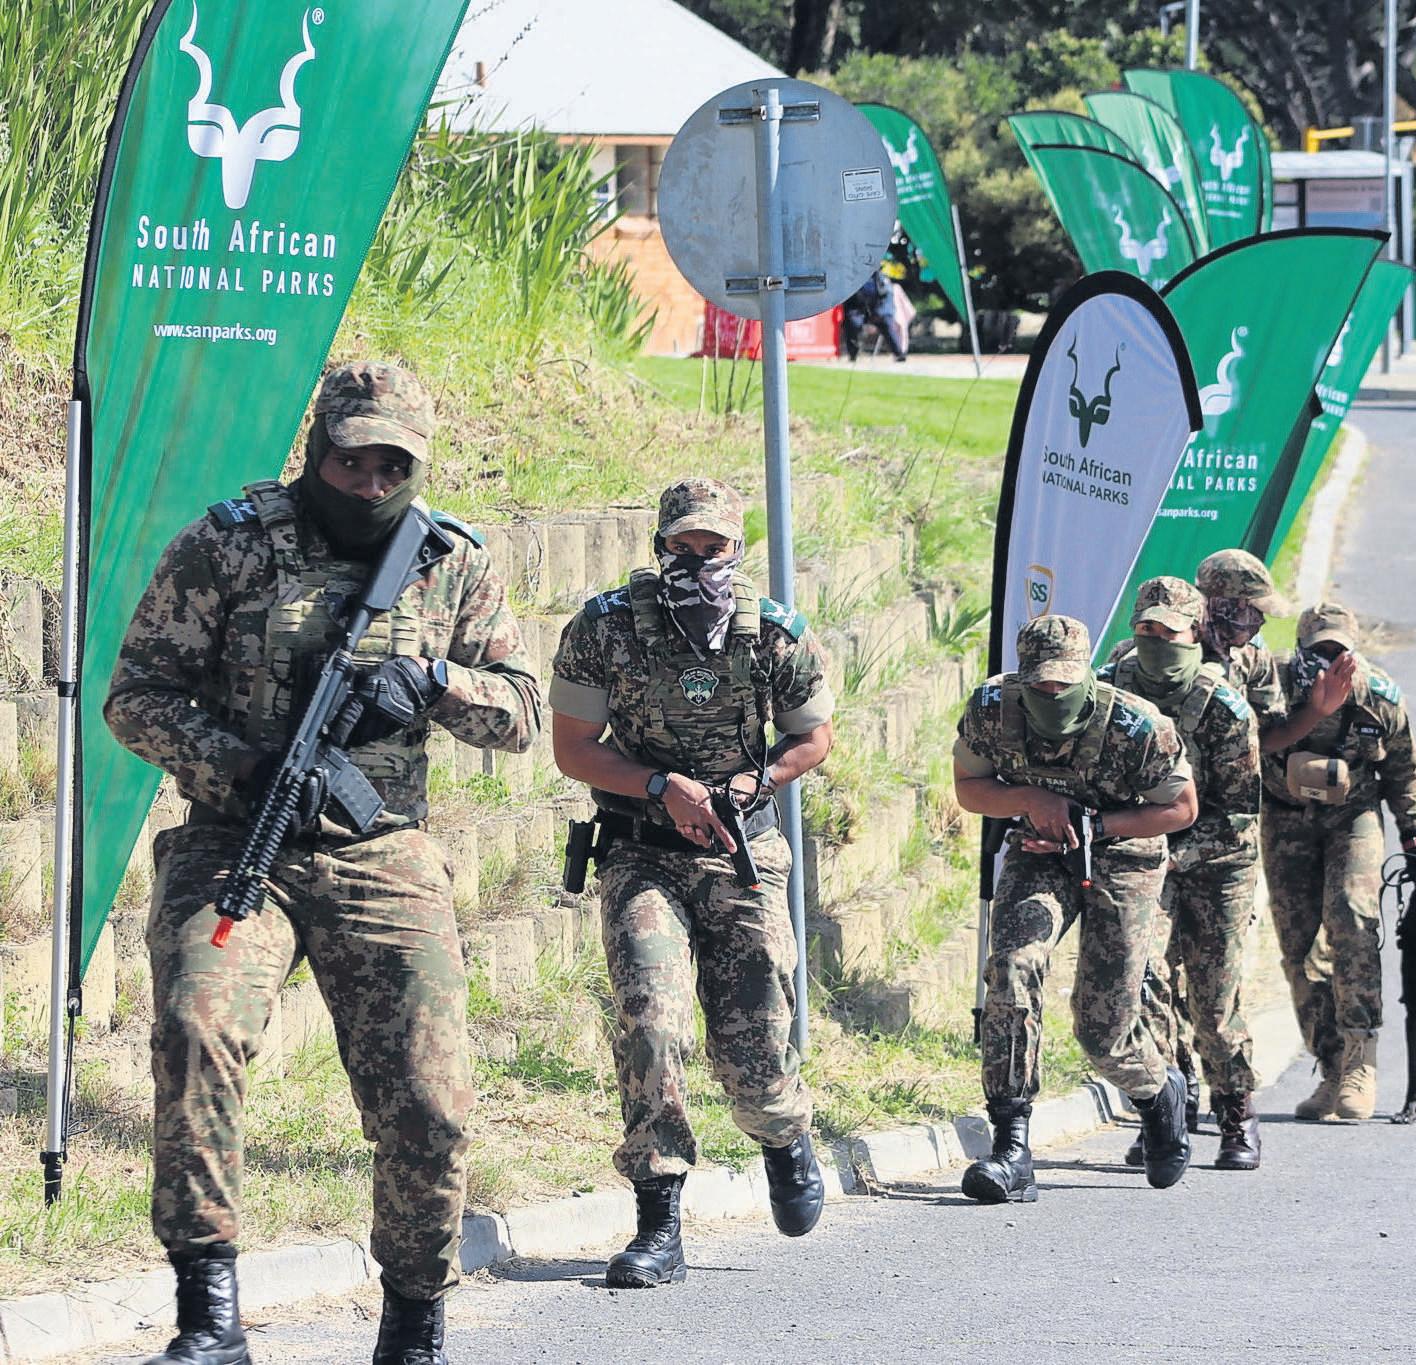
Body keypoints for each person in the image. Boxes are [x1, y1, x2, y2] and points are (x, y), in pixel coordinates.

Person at [106, 361, 542, 1365]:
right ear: (317, 450)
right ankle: (209, 1311)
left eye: (394, 466)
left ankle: (415, 1314)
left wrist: (433, 682)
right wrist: (241, 764)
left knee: (430, 1093)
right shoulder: (228, 544)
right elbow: (136, 696)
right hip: (239, 838)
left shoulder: (453, 564)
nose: (370, 483)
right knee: (196, 1028)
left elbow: (521, 712)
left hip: (383, 852)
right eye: (352, 462)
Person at [548, 478, 835, 1288]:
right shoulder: (604, 628)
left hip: (742, 848)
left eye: (714, 548)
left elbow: (812, 736)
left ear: (736, 551)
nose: (698, 561)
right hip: (642, 850)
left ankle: (781, 1131)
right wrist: (658, 785)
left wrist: (755, 780)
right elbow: (573, 747)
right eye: (683, 546)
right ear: (659, 545)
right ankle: (658, 1215)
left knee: (757, 1033)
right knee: (651, 1018)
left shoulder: (772, 632)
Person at [952, 615, 1199, 1203]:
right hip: (1040, 849)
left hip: (1125, 855)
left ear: (1086, 676)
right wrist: (1030, 798)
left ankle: (1157, 1091)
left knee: (1102, 1028)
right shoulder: (992, 710)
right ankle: (1012, 1146)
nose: (1052, 693)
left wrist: (1096, 826)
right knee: (1011, 968)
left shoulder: (1137, 726)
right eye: (1040, 684)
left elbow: (1181, 808)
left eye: (1064, 683)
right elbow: (969, 787)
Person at [1101, 577, 1268, 1170]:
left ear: (1195, 634)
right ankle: (1167, 1109)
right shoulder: (1110, 691)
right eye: (1146, 628)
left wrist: (1178, 851)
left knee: (1212, 999)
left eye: (1169, 631)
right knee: (1144, 980)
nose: (1156, 640)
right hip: (1143, 852)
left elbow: (1241, 813)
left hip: (1218, 861)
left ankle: (1237, 1112)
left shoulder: (1222, 707)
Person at [1262, 602, 1416, 1122]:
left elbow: (1404, 770)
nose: (1329, 660)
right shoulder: (1270, 685)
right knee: (1297, 943)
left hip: (1352, 816)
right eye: (1319, 650)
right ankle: (1332, 1064)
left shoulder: (1378, 696)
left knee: (1352, 918)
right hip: (1286, 816)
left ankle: (1362, 1057)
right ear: (1300, 649)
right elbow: (1243, 744)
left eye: (1338, 650)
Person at [840, 268, 907, 362]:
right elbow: (848, 302)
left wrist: (880, 312)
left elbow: (887, 299)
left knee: (887, 321)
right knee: (852, 322)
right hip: (858, 310)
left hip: (877, 310)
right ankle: (853, 354)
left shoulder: (881, 279)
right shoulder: (852, 278)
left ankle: (899, 354)